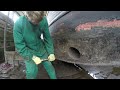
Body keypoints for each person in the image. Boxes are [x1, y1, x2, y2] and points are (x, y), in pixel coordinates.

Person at [13, 11, 57, 79]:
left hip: (40, 47)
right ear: (27, 16)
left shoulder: (44, 20)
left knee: (49, 66)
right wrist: (32, 57)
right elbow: (20, 46)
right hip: (28, 50)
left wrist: (51, 52)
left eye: (39, 21)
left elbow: (47, 37)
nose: (37, 23)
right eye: (34, 21)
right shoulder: (18, 24)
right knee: (32, 71)